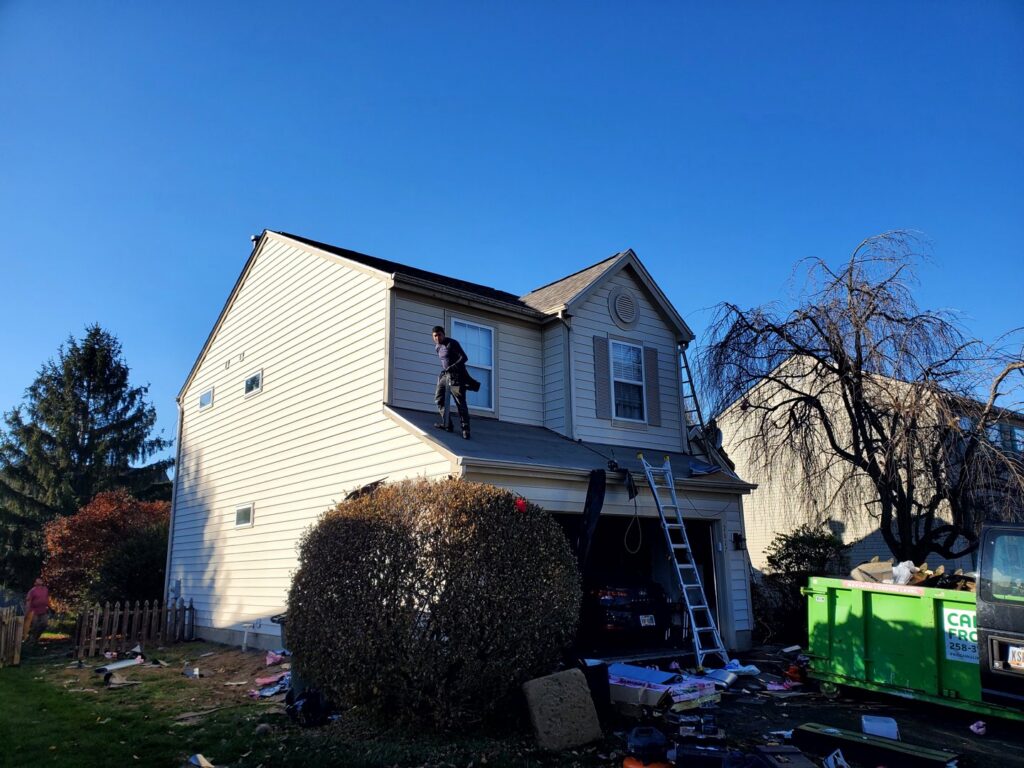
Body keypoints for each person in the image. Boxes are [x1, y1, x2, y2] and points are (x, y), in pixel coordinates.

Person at [432, 325, 471, 439]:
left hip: (457, 376)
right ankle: (447, 424)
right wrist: (445, 372)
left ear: (443, 334)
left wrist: (453, 367)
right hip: (446, 375)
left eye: (439, 335)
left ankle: (465, 429)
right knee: (439, 399)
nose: (437, 338)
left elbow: (464, 358)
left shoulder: (452, 343)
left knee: (460, 402)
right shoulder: (437, 347)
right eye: (435, 336)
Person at [23, 577, 50, 644]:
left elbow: (47, 599)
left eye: (41, 580)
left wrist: (49, 606)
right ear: (35, 583)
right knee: (34, 625)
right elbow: (28, 601)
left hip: (43, 610)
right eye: (38, 580)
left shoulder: (45, 589)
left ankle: (36, 637)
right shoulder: (32, 591)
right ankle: (31, 640)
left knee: (44, 624)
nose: (40, 581)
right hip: (34, 611)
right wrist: (27, 611)